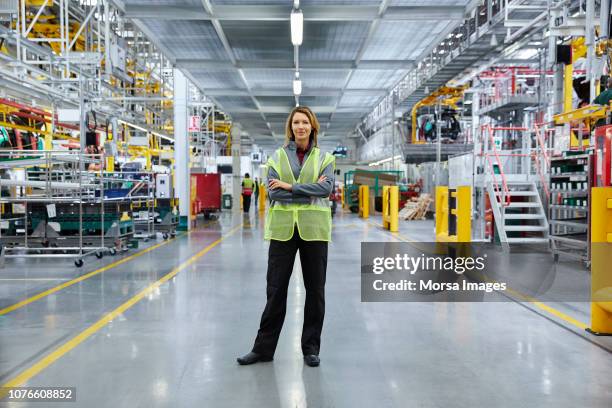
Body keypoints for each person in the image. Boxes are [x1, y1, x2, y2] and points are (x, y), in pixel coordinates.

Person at [237, 106, 335, 368]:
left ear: (312, 126)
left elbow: (326, 189)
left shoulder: (325, 158)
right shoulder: (277, 157)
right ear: (290, 128)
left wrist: (290, 186)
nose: (300, 127)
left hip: (314, 230)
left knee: (315, 291)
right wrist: (307, 191)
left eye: (304, 122)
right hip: (282, 230)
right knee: (275, 290)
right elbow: (273, 194)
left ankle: (311, 349)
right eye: (296, 123)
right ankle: (263, 349)